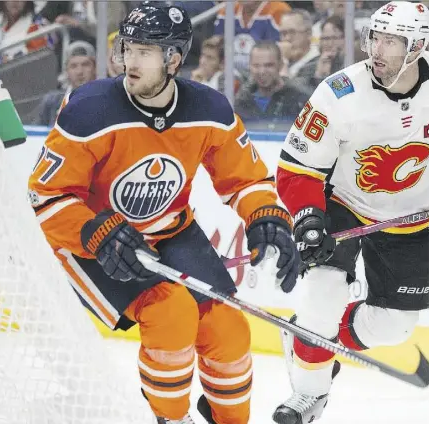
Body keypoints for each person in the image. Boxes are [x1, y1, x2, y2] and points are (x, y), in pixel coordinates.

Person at [27, 4, 300, 424]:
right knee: (169, 312)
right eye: (126, 48)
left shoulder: (209, 108)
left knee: (228, 327)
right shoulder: (90, 109)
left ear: (173, 59)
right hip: (91, 242)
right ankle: (171, 418)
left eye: (144, 52)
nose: (128, 61)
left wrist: (264, 213)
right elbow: (45, 198)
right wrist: (95, 232)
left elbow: (246, 180)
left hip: (169, 231)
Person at [273, 2, 429, 423]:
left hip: (409, 213)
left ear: (417, 47)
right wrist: (308, 217)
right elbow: (295, 169)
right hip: (344, 203)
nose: (378, 49)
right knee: (323, 291)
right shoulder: (339, 93)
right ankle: (310, 393)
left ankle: (310, 336)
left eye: (391, 41)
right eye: (375, 37)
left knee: (395, 326)